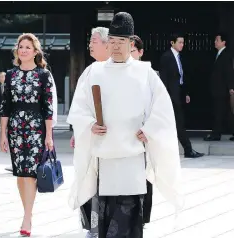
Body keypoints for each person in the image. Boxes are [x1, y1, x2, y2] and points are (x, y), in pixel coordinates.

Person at [67, 12, 184, 238]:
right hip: (104, 155)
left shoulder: (145, 73)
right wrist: (90, 124)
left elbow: (162, 110)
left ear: (131, 43)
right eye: (112, 41)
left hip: (133, 155)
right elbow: (79, 108)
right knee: (105, 216)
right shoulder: (95, 71)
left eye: (121, 42)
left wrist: (149, 129)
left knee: (130, 217)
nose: (116, 47)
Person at [0, 33, 57, 237]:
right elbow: (5, 106)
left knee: (31, 174)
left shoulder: (43, 75)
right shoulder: (10, 75)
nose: (23, 50)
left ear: (35, 51)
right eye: (21, 47)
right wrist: (3, 134)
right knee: (20, 173)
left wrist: (49, 135)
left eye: (28, 47)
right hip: (15, 128)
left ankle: (27, 216)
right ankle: (27, 213)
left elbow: (48, 107)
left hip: (36, 128)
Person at [69, 26, 110, 238]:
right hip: (92, 135)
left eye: (94, 40)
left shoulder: (118, 69)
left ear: (106, 43)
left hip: (113, 139)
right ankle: (93, 227)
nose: (90, 44)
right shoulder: (90, 70)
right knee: (90, 180)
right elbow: (79, 106)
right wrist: (85, 126)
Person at [159, 34, 204, 158]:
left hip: (179, 93)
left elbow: (182, 77)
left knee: (178, 122)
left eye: (183, 43)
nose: (182, 45)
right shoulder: (166, 57)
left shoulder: (180, 57)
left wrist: (186, 93)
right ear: (172, 43)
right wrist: (165, 96)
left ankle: (187, 149)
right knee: (178, 123)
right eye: (179, 42)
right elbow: (164, 79)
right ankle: (188, 149)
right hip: (171, 95)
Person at [130, 35, 153, 228]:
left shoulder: (149, 74)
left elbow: (158, 107)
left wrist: (149, 129)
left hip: (143, 132)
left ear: (140, 52)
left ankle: (143, 215)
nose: (129, 54)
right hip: (123, 133)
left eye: (132, 51)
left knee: (145, 173)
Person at [204, 32, 234, 141]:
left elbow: (229, 72)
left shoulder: (225, 55)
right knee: (225, 113)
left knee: (219, 112)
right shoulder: (219, 54)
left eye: (217, 40)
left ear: (223, 42)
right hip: (218, 89)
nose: (215, 42)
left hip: (221, 89)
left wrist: (231, 87)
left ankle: (216, 135)